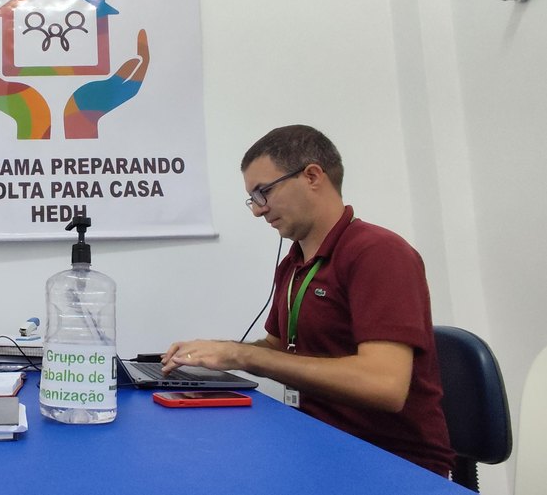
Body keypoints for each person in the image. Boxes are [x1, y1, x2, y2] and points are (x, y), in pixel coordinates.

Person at [162, 124, 454, 476]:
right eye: (253, 199)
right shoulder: (295, 262)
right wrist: (216, 355)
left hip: (391, 463)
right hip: (315, 442)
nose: (258, 210)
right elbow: (277, 346)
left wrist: (244, 356)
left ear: (312, 175)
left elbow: (384, 385)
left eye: (263, 192)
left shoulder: (378, 253)